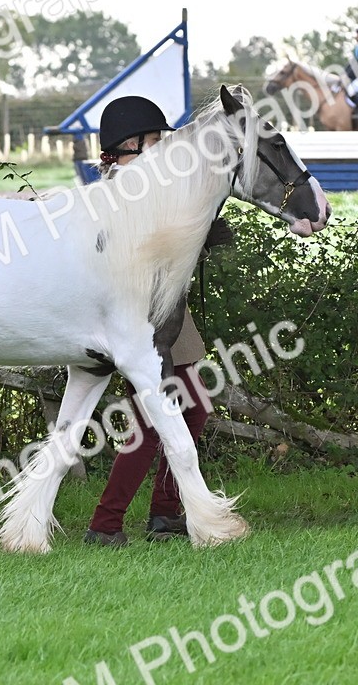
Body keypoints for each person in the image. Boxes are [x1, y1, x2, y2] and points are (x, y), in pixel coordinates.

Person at [83, 94, 234, 546]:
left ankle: (164, 513)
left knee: (196, 407)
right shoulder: (113, 195)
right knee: (152, 420)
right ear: (126, 147)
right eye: (150, 141)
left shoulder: (154, 186)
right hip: (136, 316)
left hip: (170, 312)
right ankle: (107, 523)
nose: (159, 149)